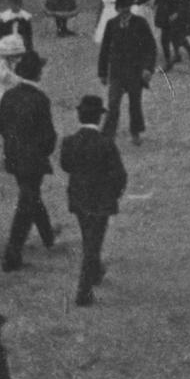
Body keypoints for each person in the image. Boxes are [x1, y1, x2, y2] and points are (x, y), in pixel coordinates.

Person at [60, 92, 127, 305]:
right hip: (101, 201)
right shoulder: (106, 143)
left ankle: (95, 273)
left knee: (88, 238)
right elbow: (120, 175)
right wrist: (113, 195)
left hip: (79, 199)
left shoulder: (70, 142)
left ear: (80, 116)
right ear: (99, 118)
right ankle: (83, 292)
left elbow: (66, 166)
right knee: (93, 244)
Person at [0, 50, 57, 271]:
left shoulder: (8, 95)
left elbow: (1, 127)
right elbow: (49, 135)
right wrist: (43, 151)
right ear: (38, 74)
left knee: (30, 194)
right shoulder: (40, 99)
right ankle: (12, 253)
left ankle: (48, 235)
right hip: (33, 159)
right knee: (27, 201)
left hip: (14, 157)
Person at [97, 0, 156, 143]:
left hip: (135, 71)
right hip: (116, 71)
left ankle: (135, 132)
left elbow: (151, 47)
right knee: (113, 103)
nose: (124, 11)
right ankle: (108, 134)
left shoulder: (140, 23)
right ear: (117, 8)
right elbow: (104, 49)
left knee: (135, 103)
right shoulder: (112, 24)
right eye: (122, 8)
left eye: (127, 8)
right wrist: (102, 72)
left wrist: (148, 68)